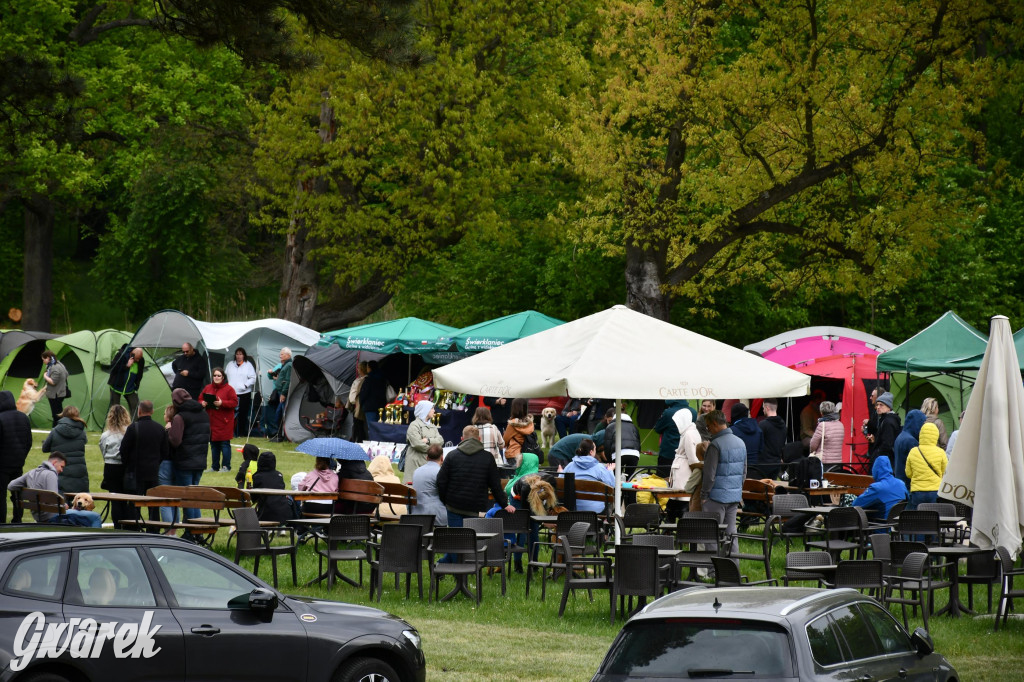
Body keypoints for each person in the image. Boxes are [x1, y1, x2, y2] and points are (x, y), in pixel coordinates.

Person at [437, 425, 515, 532]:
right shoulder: (487, 457)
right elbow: (495, 485)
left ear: (462, 439)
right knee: (473, 542)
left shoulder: (451, 456)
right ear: (479, 439)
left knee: (455, 541)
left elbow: (441, 481)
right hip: (476, 507)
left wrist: (445, 501)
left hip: (454, 505)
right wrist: (504, 504)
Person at [7, 453, 101, 527]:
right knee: (95, 517)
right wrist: (63, 505)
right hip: (52, 517)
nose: (62, 470)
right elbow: (54, 501)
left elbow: (11, 486)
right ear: (54, 462)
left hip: (38, 515)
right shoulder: (51, 474)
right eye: (62, 467)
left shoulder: (31, 472)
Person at [701, 410, 746, 556]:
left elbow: (709, 474)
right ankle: (732, 568)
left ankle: (713, 570)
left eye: (708, 426)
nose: (708, 430)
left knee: (711, 535)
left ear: (715, 424)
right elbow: (744, 472)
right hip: (734, 496)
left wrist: (704, 495)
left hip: (715, 496)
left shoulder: (715, 445)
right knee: (731, 535)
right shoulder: (741, 443)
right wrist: (737, 490)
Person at [119, 400, 169, 529]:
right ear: (152, 411)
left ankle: (133, 530)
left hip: (136, 472)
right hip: (153, 472)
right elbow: (165, 451)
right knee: (153, 504)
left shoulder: (133, 428)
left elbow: (123, 450)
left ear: (139, 411)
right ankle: (154, 530)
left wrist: (128, 464)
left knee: (134, 503)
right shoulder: (159, 428)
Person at [166, 388, 210, 524]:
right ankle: (198, 529)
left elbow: (175, 440)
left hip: (184, 462)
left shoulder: (180, 417)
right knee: (194, 496)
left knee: (187, 498)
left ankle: (192, 528)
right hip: (200, 460)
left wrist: (169, 430)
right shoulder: (204, 414)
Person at [503, 451, 541, 571]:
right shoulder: (538, 479)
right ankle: (534, 563)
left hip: (517, 515)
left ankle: (517, 563)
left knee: (521, 533)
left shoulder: (517, 480)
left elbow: (507, 491)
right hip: (534, 512)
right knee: (534, 532)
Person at [0, 389, 32, 523]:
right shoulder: (23, 417)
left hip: (2, 466)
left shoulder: (1, 418)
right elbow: (28, 441)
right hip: (18, 464)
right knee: (17, 495)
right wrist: (22, 457)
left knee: (1, 496)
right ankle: (17, 519)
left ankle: (1, 522)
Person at [560, 438, 615, 513]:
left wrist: (561, 472)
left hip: (574, 509)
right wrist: (610, 471)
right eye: (595, 449)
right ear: (591, 452)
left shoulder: (570, 466)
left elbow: (560, 483)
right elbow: (612, 485)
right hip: (596, 510)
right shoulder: (599, 467)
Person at [42, 406, 88, 494]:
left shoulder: (55, 430)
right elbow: (84, 442)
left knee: (61, 501)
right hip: (79, 472)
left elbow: (45, 448)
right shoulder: (82, 432)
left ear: (63, 415)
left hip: (61, 470)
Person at [199, 367, 238, 472]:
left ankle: (226, 466)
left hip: (224, 422)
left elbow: (234, 402)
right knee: (213, 444)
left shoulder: (229, 389)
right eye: (215, 375)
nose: (216, 377)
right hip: (211, 422)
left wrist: (222, 403)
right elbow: (200, 398)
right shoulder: (207, 387)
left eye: (219, 375)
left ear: (223, 377)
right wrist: (202, 403)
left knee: (225, 444)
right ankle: (214, 467)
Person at [98, 405, 131, 525]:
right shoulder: (129, 432)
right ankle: (127, 524)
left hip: (110, 467)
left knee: (115, 499)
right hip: (124, 467)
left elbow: (103, 450)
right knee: (127, 498)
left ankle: (117, 524)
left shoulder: (106, 435)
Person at [905, 422, 947, 510]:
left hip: (917, 491)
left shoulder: (914, 451)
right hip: (935, 491)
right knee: (933, 516)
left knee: (918, 518)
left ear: (921, 435)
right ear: (936, 435)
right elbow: (945, 473)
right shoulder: (941, 452)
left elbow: (908, 473)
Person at [404, 400, 443, 485]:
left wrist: (428, 440)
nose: (434, 410)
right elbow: (417, 444)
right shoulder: (414, 425)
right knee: (412, 489)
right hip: (415, 462)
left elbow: (441, 440)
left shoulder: (432, 426)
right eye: (432, 408)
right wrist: (434, 451)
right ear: (425, 410)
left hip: (429, 462)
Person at [654, 400, 694, 478]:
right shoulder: (693, 412)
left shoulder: (668, 412)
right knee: (681, 479)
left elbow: (658, 429)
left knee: (663, 479)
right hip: (685, 452)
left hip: (668, 451)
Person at [250, 452, 295, 522]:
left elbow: (254, 498)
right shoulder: (279, 475)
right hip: (285, 513)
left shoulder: (258, 476)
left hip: (265, 514)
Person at [410, 445, 447, 526]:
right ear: (442, 458)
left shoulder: (417, 471)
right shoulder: (440, 472)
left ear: (427, 457)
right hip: (436, 515)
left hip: (417, 512)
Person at [225, 347, 257, 438]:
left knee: (242, 414)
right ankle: (231, 432)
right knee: (230, 413)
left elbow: (253, 378)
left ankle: (241, 433)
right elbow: (225, 375)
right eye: (237, 354)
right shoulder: (230, 364)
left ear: (244, 355)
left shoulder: (248, 365)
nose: (239, 356)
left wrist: (245, 385)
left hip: (244, 393)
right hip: (232, 393)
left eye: (240, 354)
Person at [602, 407, 642, 478]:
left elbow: (607, 446)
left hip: (618, 454)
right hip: (634, 454)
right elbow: (638, 442)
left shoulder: (611, 426)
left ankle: (616, 489)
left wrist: (610, 461)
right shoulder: (633, 426)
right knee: (629, 479)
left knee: (615, 479)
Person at [108, 346, 145, 418]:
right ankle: (115, 427)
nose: (138, 360)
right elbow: (113, 368)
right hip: (116, 387)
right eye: (137, 358)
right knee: (115, 409)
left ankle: (134, 427)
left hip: (130, 388)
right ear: (132, 354)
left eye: (139, 359)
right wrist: (126, 365)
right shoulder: (121, 355)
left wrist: (136, 385)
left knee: (136, 407)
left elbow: (140, 374)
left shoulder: (141, 360)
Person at [893, 409, 926, 489]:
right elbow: (916, 465)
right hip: (907, 483)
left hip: (899, 480)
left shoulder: (901, 436)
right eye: (922, 422)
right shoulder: (911, 441)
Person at [669, 408, 701, 490]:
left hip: (684, 470)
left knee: (681, 497)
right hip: (684, 468)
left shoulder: (688, 434)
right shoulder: (692, 432)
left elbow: (692, 458)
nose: (676, 425)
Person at [265, 347, 293, 441]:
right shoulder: (284, 365)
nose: (280, 356)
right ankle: (279, 435)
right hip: (279, 392)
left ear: (288, 355)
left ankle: (282, 436)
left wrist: (283, 393)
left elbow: (288, 380)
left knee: (281, 414)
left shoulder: (289, 365)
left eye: (282, 354)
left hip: (283, 393)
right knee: (279, 414)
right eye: (280, 354)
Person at [729, 403, 764, 472]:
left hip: (737, 470)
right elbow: (761, 450)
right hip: (755, 469)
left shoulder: (731, 431)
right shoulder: (758, 429)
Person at [868, 392, 901, 465]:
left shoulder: (888, 421)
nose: (878, 407)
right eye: (877, 404)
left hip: (885, 462)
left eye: (881, 405)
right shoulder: (886, 419)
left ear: (889, 407)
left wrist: (875, 456)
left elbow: (887, 444)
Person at [502, 398, 536, 468]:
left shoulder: (512, 424)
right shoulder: (530, 423)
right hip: (529, 454)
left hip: (514, 453)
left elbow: (504, 441)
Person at [808, 401, 844, 465]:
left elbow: (813, 445)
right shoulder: (841, 424)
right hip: (838, 461)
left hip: (825, 462)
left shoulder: (822, 425)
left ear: (821, 413)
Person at [40, 350, 69, 427]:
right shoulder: (59, 364)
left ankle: (57, 429)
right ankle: (60, 428)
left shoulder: (54, 367)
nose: (43, 361)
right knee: (59, 413)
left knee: (56, 415)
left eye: (43, 359)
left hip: (55, 395)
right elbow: (67, 374)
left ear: (48, 358)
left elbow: (53, 382)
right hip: (61, 393)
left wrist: (45, 376)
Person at [758, 399, 786, 475]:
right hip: (777, 464)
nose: (763, 410)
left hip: (764, 465)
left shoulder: (763, 425)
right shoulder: (783, 424)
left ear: (767, 408)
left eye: (763, 408)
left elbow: (758, 444)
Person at [358, 360, 389, 424]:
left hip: (370, 407)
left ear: (369, 368)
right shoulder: (383, 378)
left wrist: (361, 403)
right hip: (381, 406)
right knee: (380, 427)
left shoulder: (369, 379)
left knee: (372, 428)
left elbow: (364, 393)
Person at [347, 361, 369, 441]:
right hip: (355, 405)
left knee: (359, 424)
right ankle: (355, 439)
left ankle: (359, 440)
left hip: (359, 405)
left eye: (359, 368)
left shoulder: (365, 379)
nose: (357, 369)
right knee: (356, 424)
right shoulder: (359, 379)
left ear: (362, 369)